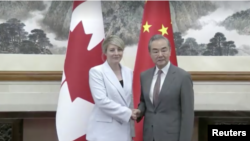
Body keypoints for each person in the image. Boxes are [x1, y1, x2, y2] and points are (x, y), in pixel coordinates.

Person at [134, 34, 194, 141]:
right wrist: (139, 110)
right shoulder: (145, 76)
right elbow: (144, 101)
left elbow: (187, 115)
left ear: (170, 51)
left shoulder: (183, 77)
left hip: (171, 137)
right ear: (150, 54)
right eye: (155, 51)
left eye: (164, 50)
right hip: (149, 135)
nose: (160, 54)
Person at [86, 35, 137, 141]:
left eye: (119, 49)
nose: (116, 53)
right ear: (105, 52)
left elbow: (130, 99)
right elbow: (101, 101)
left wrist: (135, 113)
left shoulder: (129, 72)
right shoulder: (96, 71)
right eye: (112, 50)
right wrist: (128, 113)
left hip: (124, 129)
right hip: (104, 131)